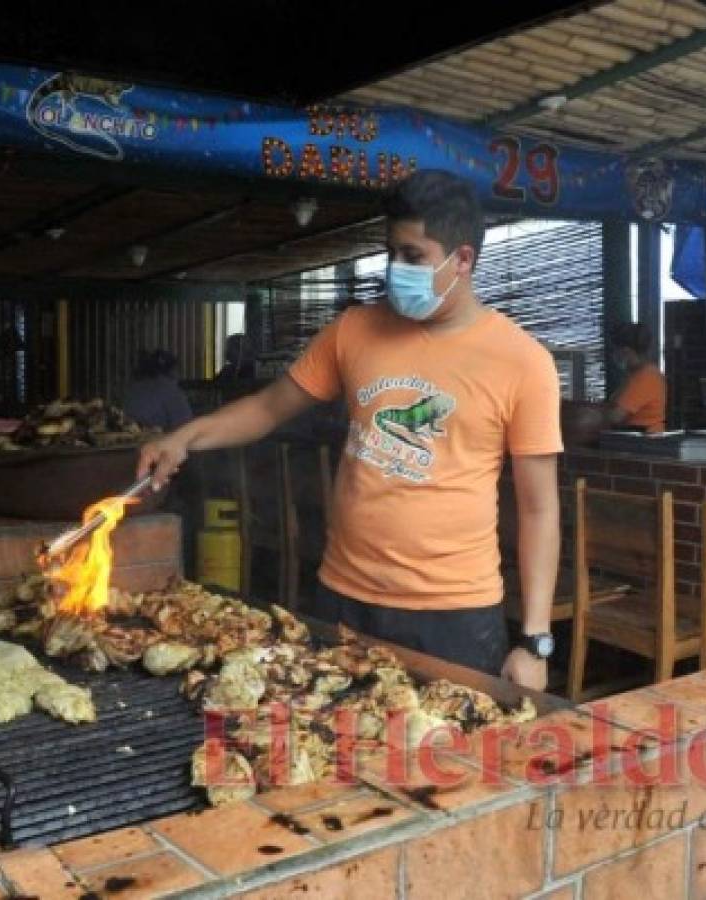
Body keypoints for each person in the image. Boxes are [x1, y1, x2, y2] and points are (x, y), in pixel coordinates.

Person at [138, 169, 562, 690]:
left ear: (463, 260)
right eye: (391, 253)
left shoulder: (523, 362)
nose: (395, 269)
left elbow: (540, 508)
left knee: (442, 763)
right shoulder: (354, 331)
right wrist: (184, 437)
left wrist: (535, 642)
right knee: (332, 754)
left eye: (413, 257)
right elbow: (270, 408)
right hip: (344, 598)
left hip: (453, 614)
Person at [573, 323, 666, 436]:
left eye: (615, 351)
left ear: (626, 351)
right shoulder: (637, 374)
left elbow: (616, 416)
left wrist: (590, 414)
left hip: (643, 442)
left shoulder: (645, 376)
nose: (614, 355)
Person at [122, 350, 193, 431]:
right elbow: (186, 428)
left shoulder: (133, 388)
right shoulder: (171, 392)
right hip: (160, 441)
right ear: (173, 371)